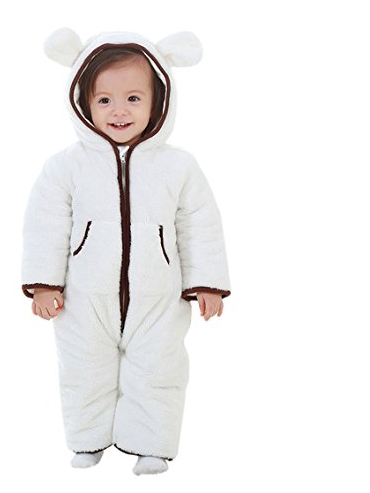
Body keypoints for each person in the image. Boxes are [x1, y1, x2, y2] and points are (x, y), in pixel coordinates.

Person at [21, 27, 231, 475]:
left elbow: (199, 225)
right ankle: (88, 439)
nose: (119, 110)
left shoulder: (179, 166)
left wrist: (206, 283)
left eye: (134, 98)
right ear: (83, 103)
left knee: (158, 372)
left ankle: (151, 445)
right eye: (104, 100)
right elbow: (46, 226)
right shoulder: (66, 167)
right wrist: (44, 284)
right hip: (82, 298)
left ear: (159, 101)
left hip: (159, 299)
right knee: (83, 371)